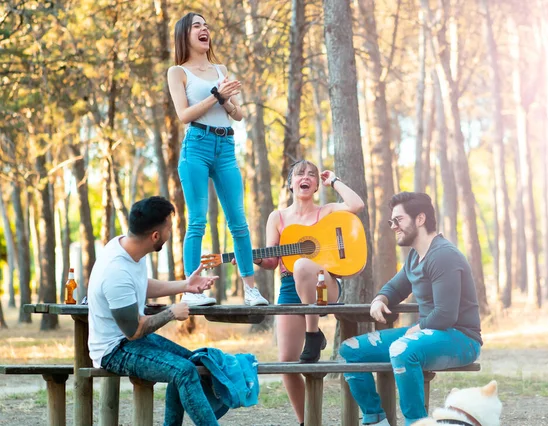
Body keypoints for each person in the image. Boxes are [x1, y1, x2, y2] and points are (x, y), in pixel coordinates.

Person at [338, 192, 483, 426]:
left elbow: (446, 314)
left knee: (402, 349)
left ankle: (416, 422)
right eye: (391, 221)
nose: (393, 226)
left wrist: (416, 328)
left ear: (420, 219)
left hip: (462, 339)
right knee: (350, 350)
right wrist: (380, 299)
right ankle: (376, 419)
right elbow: (395, 287)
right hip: (428, 334)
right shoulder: (415, 257)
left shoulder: (443, 255)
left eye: (398, 220)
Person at [87, 196, 222, 425]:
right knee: (183, 371)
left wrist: (185, 285)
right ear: (155, 236)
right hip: (114, 351)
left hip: (130, 341)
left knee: (195, 362)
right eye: (169, 228)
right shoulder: (116, 271)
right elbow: (134, 331)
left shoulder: (127, 248)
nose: (171, 233)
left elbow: (141, 284)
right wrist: (171, 312)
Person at [167, 12, 267, 306]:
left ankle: (251, 290)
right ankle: (192, 289)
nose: (204, 29)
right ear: (185, 34)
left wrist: (226, 100)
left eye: (206, 26)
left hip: (225, 146)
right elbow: (184, 114)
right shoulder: (178, 72)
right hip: (196, 145)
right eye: (197, 26)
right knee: (197, 221)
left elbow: (239, 114)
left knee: (238, 222)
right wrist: (216, 95)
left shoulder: (220, 69)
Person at [255, 160, 365, 425]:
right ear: (291, 182)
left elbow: (357, 205)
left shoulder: (326, 211)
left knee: (304, 264)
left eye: (312, 175)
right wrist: (253, 259)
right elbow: (271, 261)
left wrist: (335, 180)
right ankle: (307, 421)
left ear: (316, 185)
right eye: (299, 173)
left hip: (324, 287)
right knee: (286, 363)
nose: (305, 177)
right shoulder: (277, 217)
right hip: (290, 288)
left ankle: (313, 334)